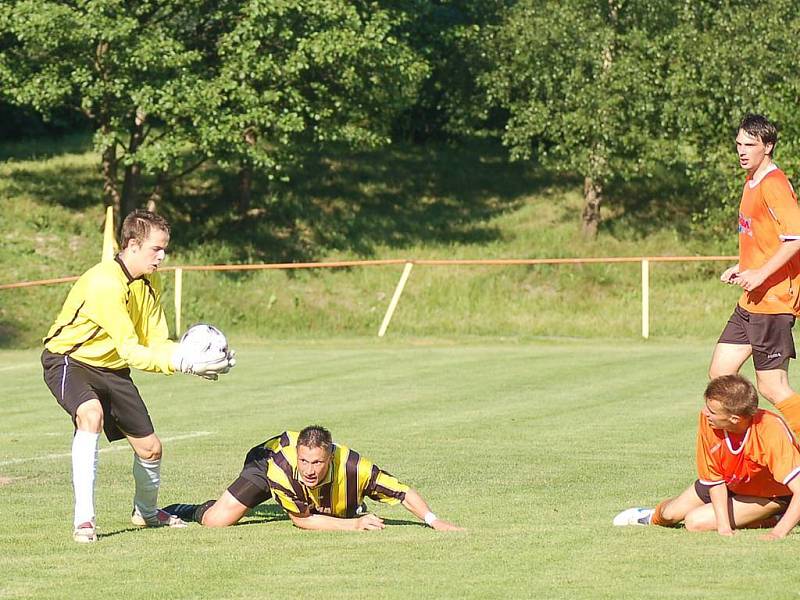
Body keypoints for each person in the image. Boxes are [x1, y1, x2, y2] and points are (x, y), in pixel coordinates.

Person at [41, 209, 236, 543]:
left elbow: (155, 341)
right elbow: (132, 349)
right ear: (131, 245)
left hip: (113, 368)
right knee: (91, 415)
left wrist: (188, 357)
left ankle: (146, 513)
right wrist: (185, 364)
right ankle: (84, 520)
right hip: (70, 360)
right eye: (155, 249)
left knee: (150, 449)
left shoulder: (149, 281)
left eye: (164, 249)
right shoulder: (105, 283)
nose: (162, 256)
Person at [163, 425, 463, 532]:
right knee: (218, 520)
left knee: (335, 505)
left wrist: (434, 520)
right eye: (304, 461)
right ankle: (182, 509)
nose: (308, 468)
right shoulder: (282, 467)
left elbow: (402, 492)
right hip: (264, 462)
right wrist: (354, 524)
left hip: (311, 477)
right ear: (297, 456)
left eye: (317, 462)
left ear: (329, 458)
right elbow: (302, 522)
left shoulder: (355, 467)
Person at [613, 375, 800, 540]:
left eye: (712, 411)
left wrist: (777, 533)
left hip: (772, 496)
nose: (705, 413)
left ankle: (777, 516)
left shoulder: (770, 431)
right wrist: (724, 527)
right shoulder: (709, 421)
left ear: (735, 418)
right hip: (730, 482)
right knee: (669, 515)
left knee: (695, 522)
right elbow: (714, 479)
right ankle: (648, 515)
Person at [710, 114, 800, 434]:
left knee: (773, 386)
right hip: (751, 301)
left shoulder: (774, 184)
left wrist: (760, 274)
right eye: (738, 144)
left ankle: (777, 444)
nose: (742, 150)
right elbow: (764, 239)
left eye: (750, 144)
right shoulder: (751, 180)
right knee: (721, 376)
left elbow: (795, 238)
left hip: (774, 301)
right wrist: (744, 267)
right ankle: (757, 448)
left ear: (768, 146)